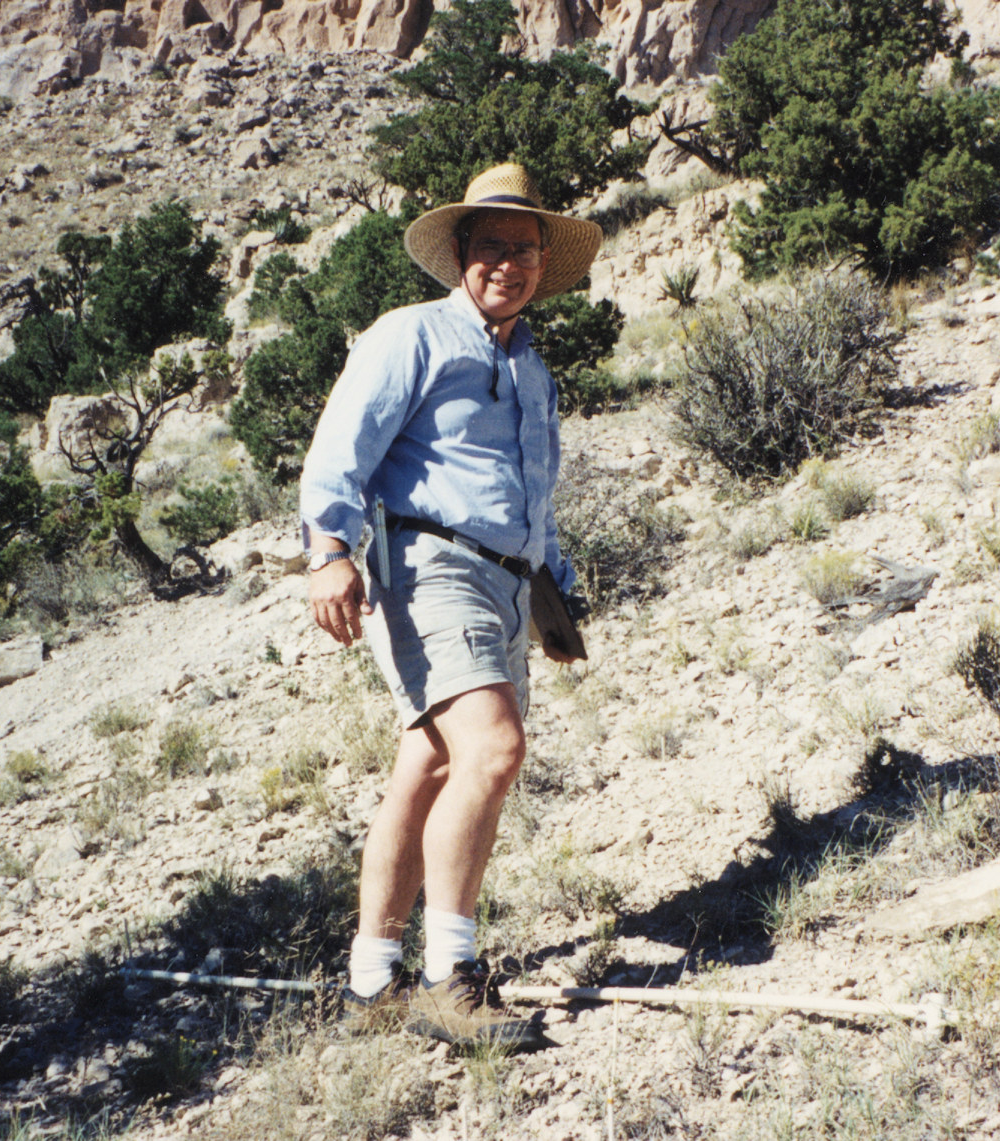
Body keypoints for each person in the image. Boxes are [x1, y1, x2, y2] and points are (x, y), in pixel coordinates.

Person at [298, 163, 601, 1048]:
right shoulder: (411, 336)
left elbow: (529, 493)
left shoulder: (530, 365)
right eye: (493, 246)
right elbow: (341, 448)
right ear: (461, 252)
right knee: (495, 748)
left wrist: (556, 593)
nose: (510, 263)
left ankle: (371, 981)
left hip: (508, 585)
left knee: (429, 764)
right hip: (430, 567)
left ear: (545, 262)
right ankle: (450, 976)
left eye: (526, 249)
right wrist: (328, 552)